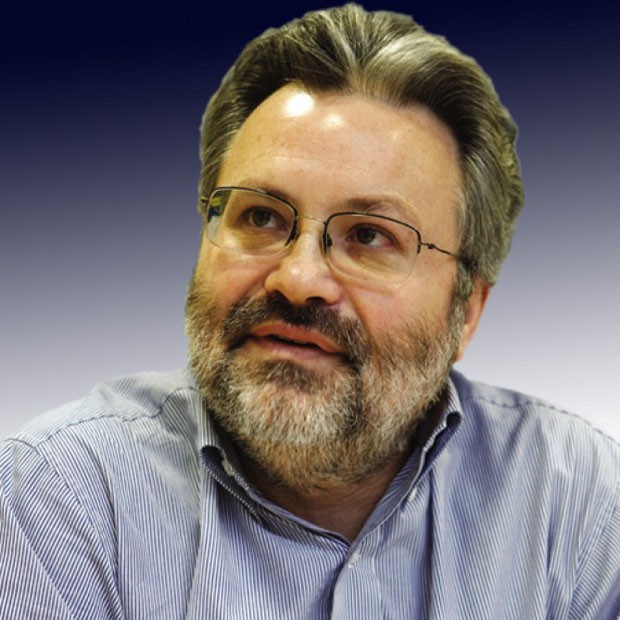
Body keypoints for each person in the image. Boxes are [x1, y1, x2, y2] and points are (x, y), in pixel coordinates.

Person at [1, 3, 618, 618]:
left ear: (467, 312)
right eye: (260, 217)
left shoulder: (576, 502)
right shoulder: (62, 495)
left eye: (370, 236)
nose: (298, 280)